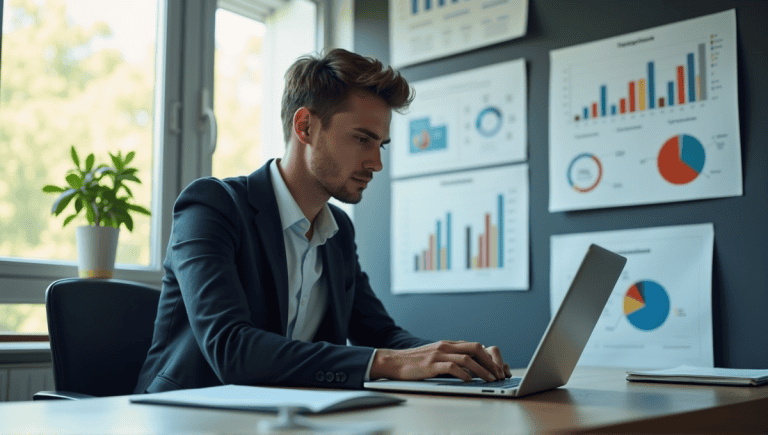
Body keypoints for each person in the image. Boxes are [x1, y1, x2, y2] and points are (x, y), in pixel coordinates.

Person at [134, 48, 511, 394]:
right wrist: (388, 363)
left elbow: (378, 332)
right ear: (305, 128)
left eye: (381, 145)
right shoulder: (212, 206)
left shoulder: (338, 231)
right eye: (362, 139)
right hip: (185, 415)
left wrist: (451, 358)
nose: (376, 163)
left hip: (289, 417)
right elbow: (231, 349)